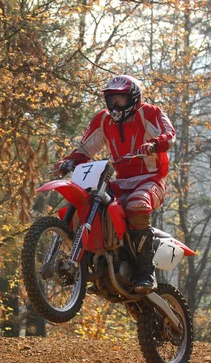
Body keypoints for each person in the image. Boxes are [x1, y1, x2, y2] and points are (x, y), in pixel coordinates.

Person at [54, 75, 176, 292]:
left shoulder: (149, 113)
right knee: (92, 204)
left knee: (136, 205)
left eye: (119, 100)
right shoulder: (103, 120)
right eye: (111, 100)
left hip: (151, 179)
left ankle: (147, 272)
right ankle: (95, 267)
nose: (114, 105)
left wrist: (152, 145)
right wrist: (70, 161)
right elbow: (85, 149)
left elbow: (169, 135)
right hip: (120, 181)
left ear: (133, 99)